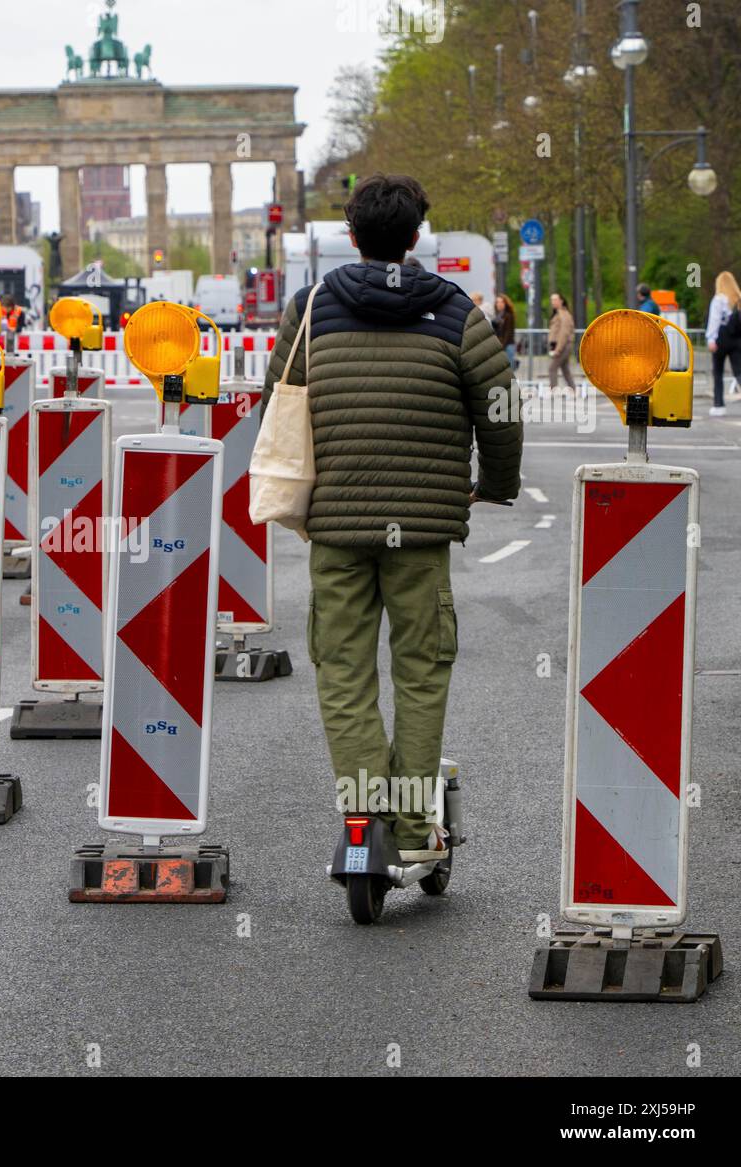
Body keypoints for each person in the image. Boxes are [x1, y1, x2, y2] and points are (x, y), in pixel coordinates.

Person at [262, 173, 522, 859]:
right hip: (423, 528)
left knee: (342, 665)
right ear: (415, 238)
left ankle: (365, 816)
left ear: (351, 235)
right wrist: (494, 482)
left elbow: (275, 402)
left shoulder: (312, 308)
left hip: (337, 525)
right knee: (421, 669)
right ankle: (412, 827)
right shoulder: (455, 311)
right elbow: (500, 405)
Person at [706, 270, 741, 418]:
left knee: (718, 372)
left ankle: (719, 405)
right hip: (739, 340)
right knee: (739, 373)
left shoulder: (719, 299)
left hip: (722, 339)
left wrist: (711, 339)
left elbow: (714, 320)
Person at [547, 291, 577, 394]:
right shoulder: (558, 313)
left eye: (555, 299)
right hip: (562, 345)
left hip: (563, 345)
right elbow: (555, 333)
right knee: (565, 370)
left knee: (552, 368)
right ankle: (573, 390)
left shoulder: (563, 314)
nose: (553, 302)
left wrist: (558, 349)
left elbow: (564, 333)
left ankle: (553, 391)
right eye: (552, 300)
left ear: (561, 301)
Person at [493, 293, 517, 369]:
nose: (499, 304)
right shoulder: (497, 316)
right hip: (500, 345)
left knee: (510, 370)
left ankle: (513, 382)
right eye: (497, 302)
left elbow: (508, 333)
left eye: (501, 302)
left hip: (508, 345)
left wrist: (502, 346)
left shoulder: (508, 316)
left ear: (505, 303)